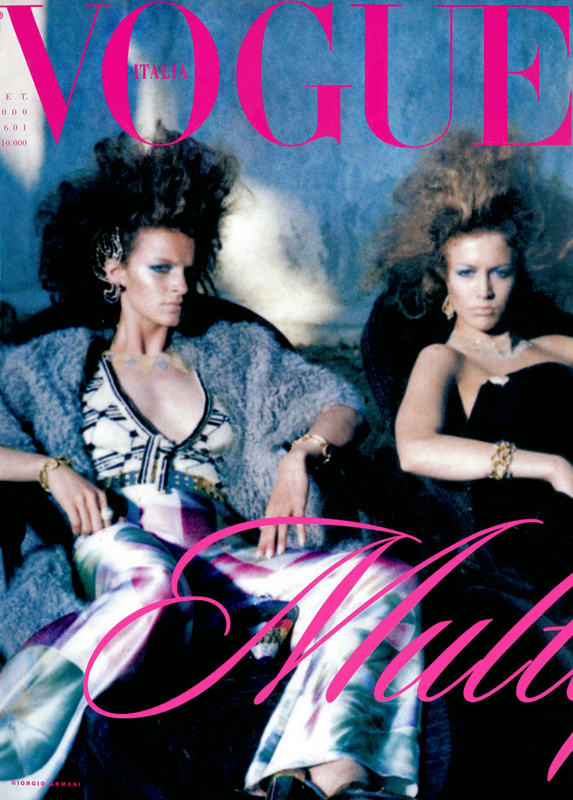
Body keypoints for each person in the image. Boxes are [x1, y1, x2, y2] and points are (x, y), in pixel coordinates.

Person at [0, 129, 421, 800]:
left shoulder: (236, 351)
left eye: (188, 269)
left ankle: (334, 777)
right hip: (116, 545)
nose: (180, 287)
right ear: (113, 266)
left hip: (223, 555)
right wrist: (50, 471)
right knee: (152, 583)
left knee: (378, 577)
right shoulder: (50, 364)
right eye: (160, 269)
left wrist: (301, 454)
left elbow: (337, 403)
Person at [364, 132, 573, 798]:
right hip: (512, 556)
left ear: (519, 272)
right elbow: (415, 447)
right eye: (466, 273)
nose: (484, 291)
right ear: (443, 281)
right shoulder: (443, 358)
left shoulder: (558, 346)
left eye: (498, 272)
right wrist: (546, 466)